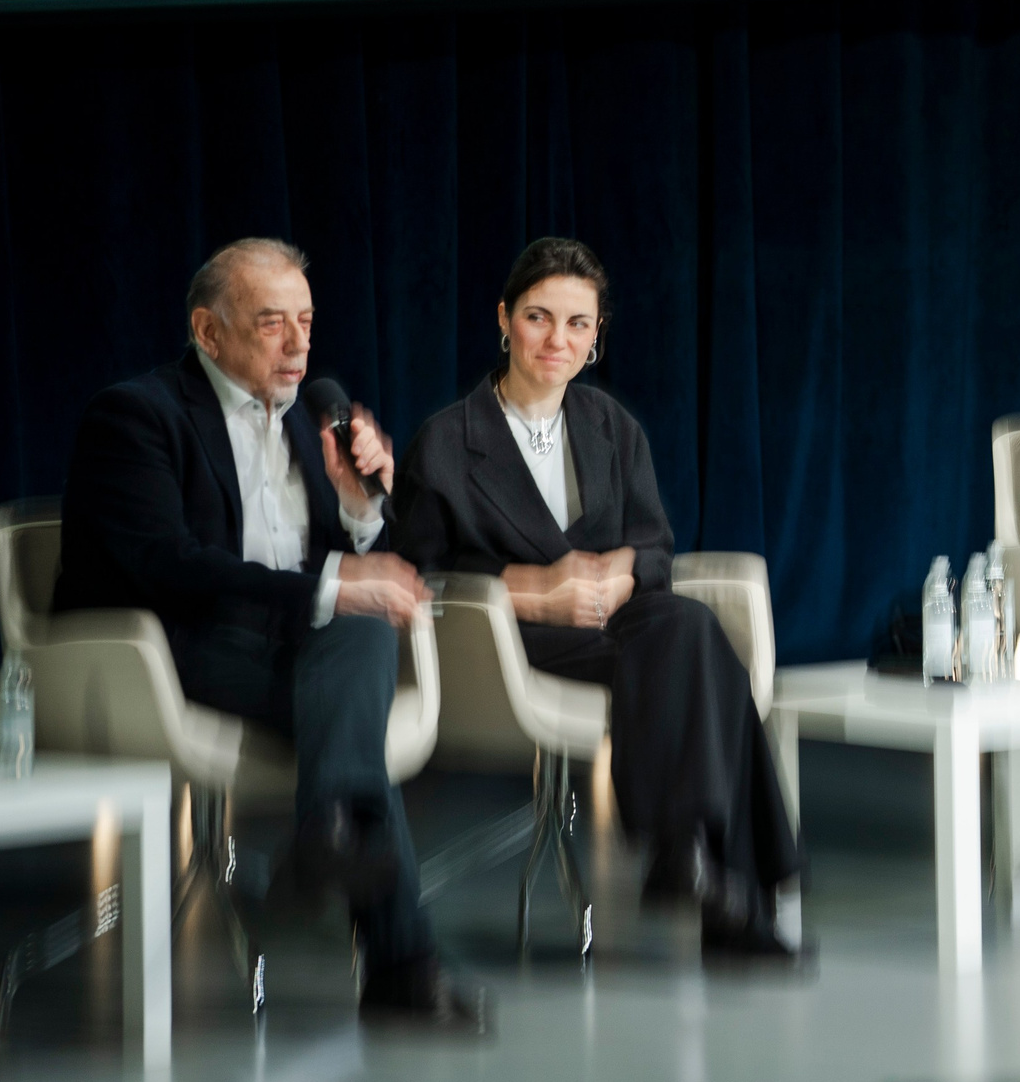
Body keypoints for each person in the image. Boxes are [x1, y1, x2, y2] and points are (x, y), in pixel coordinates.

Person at [54, 238, 484, 1028]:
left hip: (288, 646)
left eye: (307, 323)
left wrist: (359, 510)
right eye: (271, 323)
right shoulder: (136, 415)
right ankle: (400, 963)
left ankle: (329, 828)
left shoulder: (307, 426)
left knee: (359, 637)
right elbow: (165, 564)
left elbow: (341, 570)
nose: (297, 345)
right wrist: (336, 584)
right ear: (208, 332)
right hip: (167, 649)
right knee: (352, 705)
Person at [392, 238, 809, 959]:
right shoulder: (447, 442)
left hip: (613, 624)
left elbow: (653, 547)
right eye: (538, 317)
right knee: (705, 658)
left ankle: (692, 859)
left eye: (578, 324)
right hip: (509, 644)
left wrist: (623, 573)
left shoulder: (612, 428)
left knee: (691, 624)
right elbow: (420, 581)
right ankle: (722, 891)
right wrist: (524, 591)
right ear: (504, 319)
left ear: (596, 338)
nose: (558, 339)